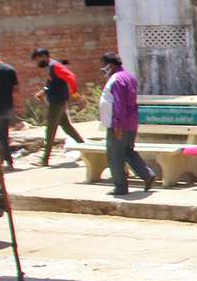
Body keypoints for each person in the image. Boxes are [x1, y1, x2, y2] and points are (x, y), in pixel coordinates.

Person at [97, 52, 157, 196]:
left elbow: (119, 103)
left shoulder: (117, 80)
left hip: (119, 123)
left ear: (110, 65)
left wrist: (117, 124)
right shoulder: (128, 77)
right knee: (128, 152)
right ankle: (147, 175)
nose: (102, 68)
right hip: (130, 122)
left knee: (115, 154)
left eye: (103, 65)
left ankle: (120, 186)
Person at [30, 48, 83, 166]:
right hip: (56, 100)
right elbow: (52, 84)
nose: (37, 62)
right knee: (67, 127)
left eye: (38, 59)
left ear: (44, 56)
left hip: (57, 102)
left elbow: (71, 77)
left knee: (50, 130)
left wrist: (74, 92)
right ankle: (85, 148)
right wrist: (43, 92)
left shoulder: (55, 66)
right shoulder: (51, 67)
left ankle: (45, 160)